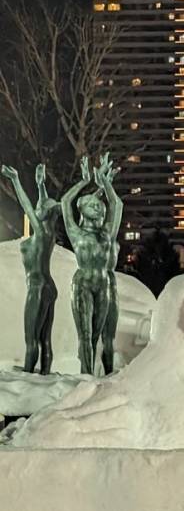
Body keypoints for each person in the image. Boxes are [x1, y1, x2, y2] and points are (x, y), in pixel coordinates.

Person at [61, 154, 122, 375]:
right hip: (83, 284)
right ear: (83, 210)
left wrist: (104, 181)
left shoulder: (107, 233)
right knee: (85, 335)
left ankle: (102, 378)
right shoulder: (76, 233)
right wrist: (86, 181)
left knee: (97, 336)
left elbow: (116, 203)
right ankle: (85, 376)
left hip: (103, 285)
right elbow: (66, 202)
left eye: (99, 206)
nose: (99, 208)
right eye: (93, 205)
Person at [1, 162, 60, 374]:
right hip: (49, 287)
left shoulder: (41, 233)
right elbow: (45, 204)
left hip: (36, 286)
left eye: (40, 207)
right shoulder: (48, 235)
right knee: (45, 339)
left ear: (43, 214)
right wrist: (41, 184)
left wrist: (15, 180)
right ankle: (44, 374)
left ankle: (27, 376)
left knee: (31, 340)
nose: (37, 206)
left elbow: (27, 206)